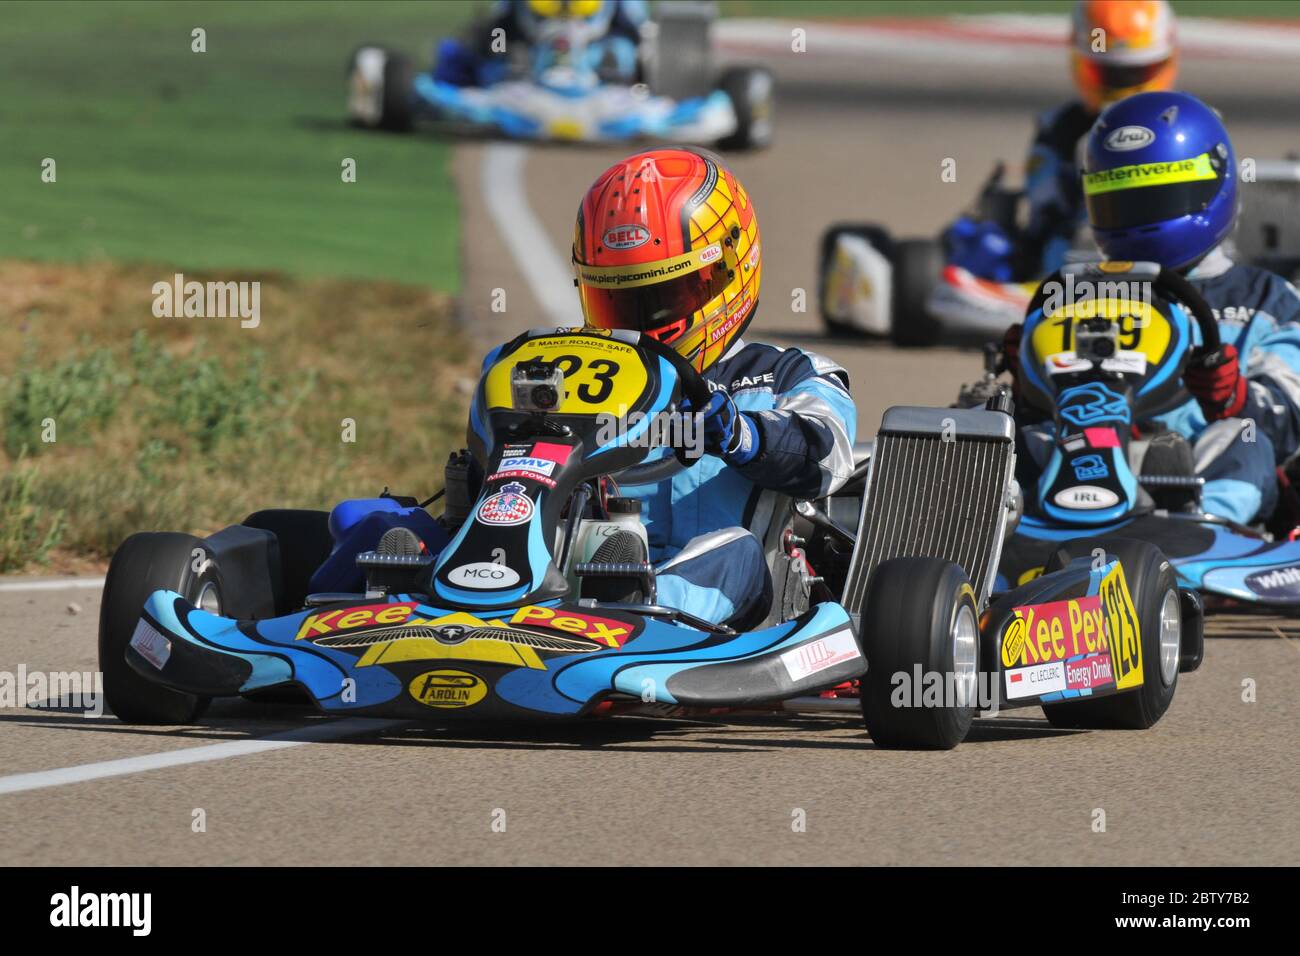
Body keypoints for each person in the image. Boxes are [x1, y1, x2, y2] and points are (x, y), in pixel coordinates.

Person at [570, 147, 857, 627]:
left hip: (732, 609)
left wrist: (743, 436)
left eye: (662, 299)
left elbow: (826, 456)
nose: (642, 323)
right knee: (403, 517)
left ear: (728, 269)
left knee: (732, 548)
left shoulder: (790, 374)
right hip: (579, 575)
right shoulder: (586, 374)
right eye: (619, 301)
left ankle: (644, 620)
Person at [1009, 90, 1300, 526]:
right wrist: (1028, 378)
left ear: (1211, 185)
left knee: (1245, 437)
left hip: (1198, 475)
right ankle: (983, 537)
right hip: (1084, 456)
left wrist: (1233, 396)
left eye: (1156, 199)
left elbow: (1288, 417)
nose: (1139, 219)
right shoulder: (1077, 293)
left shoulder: (1265, 299)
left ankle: (1201, 535)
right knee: (1001, 436)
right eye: (1122, 203)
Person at [947, 0, 1178, 282]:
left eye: (1137, 72)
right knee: (972, 244)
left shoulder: (1186, 126)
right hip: (1069, 259)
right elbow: (1042, 217)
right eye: (1110, 73)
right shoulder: (1059, 130)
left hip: (1167, 257)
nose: (1123, 82)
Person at [434, 0, 648, 89]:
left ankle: (615, 82)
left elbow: (636, 32)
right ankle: (503, 80)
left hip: (593, 49)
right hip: (533, 47)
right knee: (499, 48)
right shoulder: (508, 15)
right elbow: (497, 29)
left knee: (621, 51)